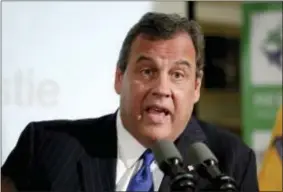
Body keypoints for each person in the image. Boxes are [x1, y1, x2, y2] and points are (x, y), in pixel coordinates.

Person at [1, 12, 259, 192]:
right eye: (147, 72)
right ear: (119, 78)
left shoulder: (228, 162)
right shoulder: (47, 146)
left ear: (195, 88)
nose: (162, 89)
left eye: (177, 75)